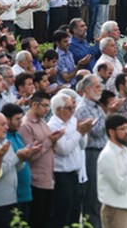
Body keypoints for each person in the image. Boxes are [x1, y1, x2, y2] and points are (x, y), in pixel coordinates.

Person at [19, 92, 65, 228]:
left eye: (48, 106)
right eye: (44, 106)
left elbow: (50, 145)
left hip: (48, 179)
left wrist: (54, 140)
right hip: (35, 181)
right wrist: (49, 141)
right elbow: (30, 156)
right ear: (34, 105)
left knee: (46, 220)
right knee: (36, 220)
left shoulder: (43, 122)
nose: (47, 109)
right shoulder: (25, 126)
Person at [47, 92, 93, 228]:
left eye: (73, 107)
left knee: (75, 212)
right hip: (61, 175)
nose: (73, 111)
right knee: (63, 213)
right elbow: (63, 150)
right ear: (58, 109)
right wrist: (79, 132)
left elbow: (82, 146)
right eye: (69, 108)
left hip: (74, 174)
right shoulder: (53, 125)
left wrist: (84, 132)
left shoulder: (73, 121)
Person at [75, 75, 107, 228]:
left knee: (101, 195)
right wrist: (109, 114)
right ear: (88, 89)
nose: (100, 90)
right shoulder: (83, 109)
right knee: (92, 196)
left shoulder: (97, 107)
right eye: (97, 87)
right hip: (91, 153)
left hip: (102, 152)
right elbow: (97, 131)